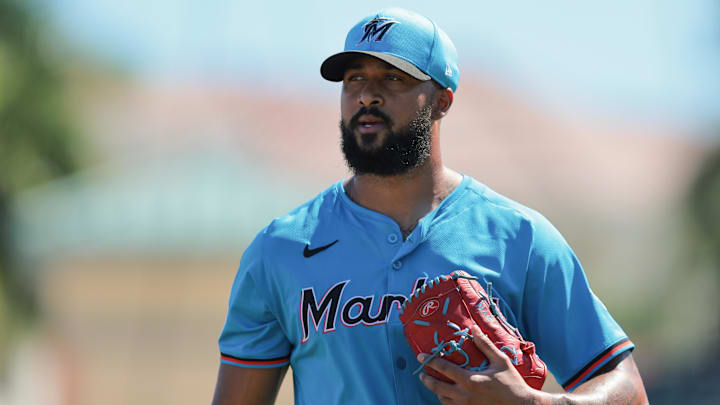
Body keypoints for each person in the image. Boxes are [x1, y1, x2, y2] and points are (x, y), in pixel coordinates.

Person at [211, 8, 648, 405]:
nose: (367, 95)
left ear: (442, 100)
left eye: (393, 78)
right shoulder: (282, 248)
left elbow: (627, 389)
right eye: (354, 79)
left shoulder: (519, 238)